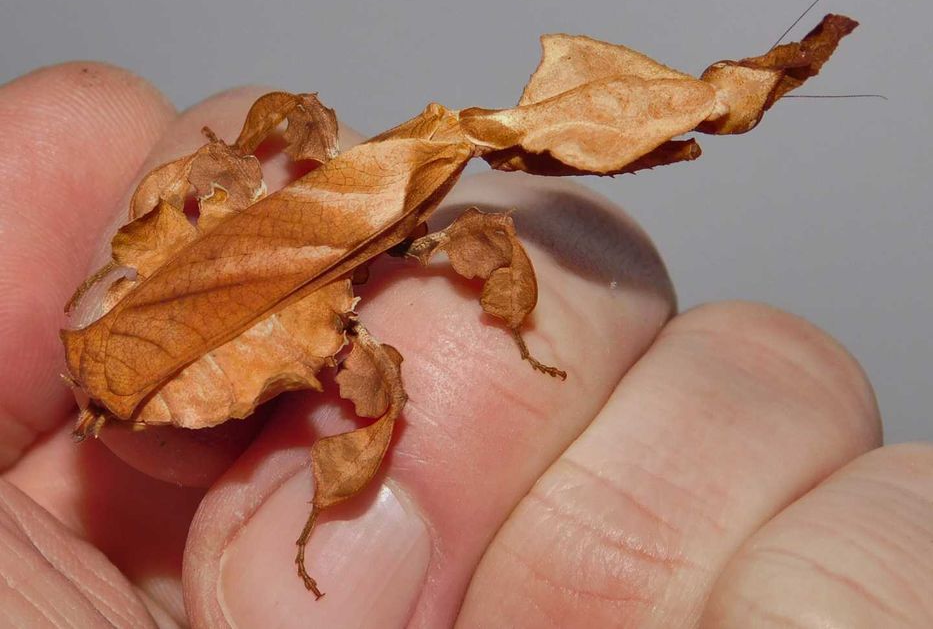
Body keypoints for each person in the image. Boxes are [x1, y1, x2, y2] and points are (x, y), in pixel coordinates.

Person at [1, 61, 930, 628]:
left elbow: (270, 125)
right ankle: (313, 528)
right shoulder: (432, 181)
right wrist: (518, 342)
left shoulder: (398, 158)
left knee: (392, 377)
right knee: (389, 390)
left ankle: (314, 530)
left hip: (156, 359)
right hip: (145, 363)